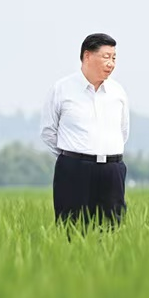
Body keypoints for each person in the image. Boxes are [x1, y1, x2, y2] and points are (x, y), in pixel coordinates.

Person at [40, 33, 130, 228]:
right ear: (87, 56)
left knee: (112, 231)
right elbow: (48, 132)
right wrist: (73, 156)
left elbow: (123, 131)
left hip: (112, 170)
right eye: (106, 57)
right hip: (74, 171)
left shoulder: (118, 92)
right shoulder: (62, 89)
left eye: (114, 58)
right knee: (71, 229)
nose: (111, 63)